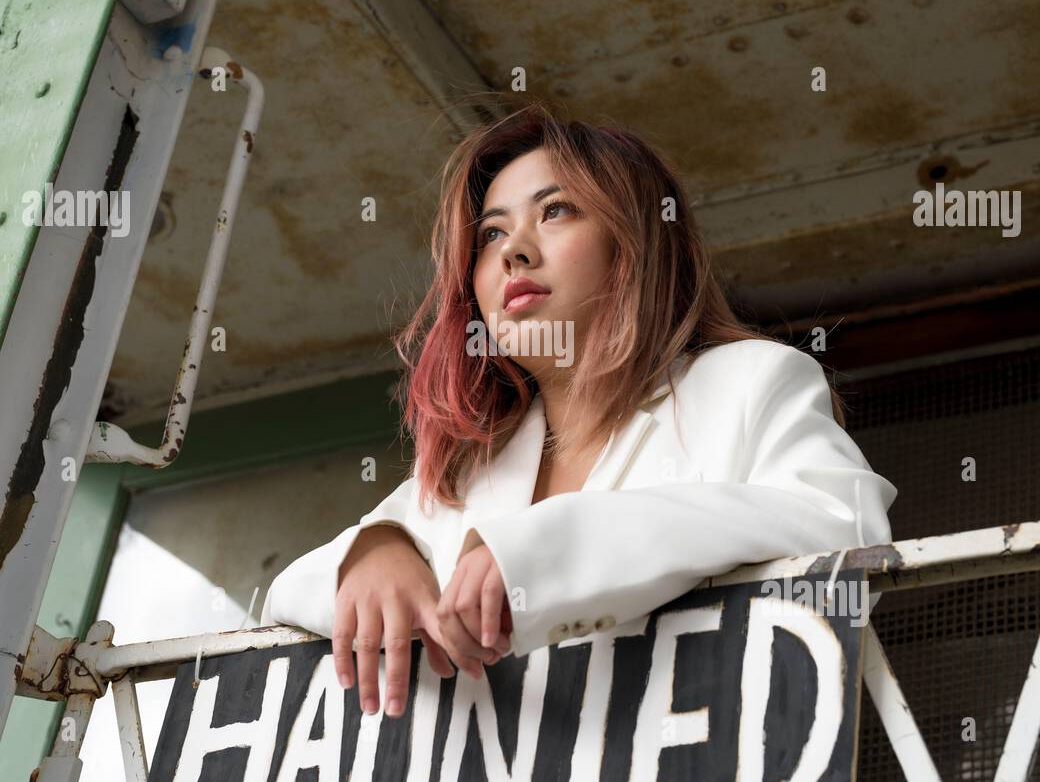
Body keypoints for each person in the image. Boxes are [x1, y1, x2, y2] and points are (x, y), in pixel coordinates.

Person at [260, 101, 897, 721]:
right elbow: (283, 598)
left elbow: (846, 529)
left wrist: (539, 550)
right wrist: (374, 553)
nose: (514, 251)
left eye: (556, 211)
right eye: (491, 233)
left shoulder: (751, 381)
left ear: (636, 242)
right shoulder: (469, 470)